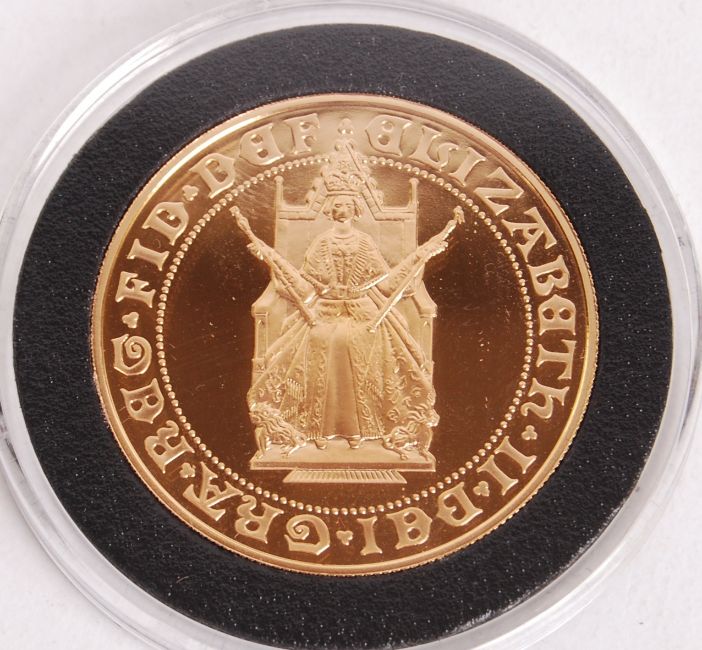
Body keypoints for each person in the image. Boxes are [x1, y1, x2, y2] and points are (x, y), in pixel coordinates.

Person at [237, 174, 458, 462]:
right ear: (331, 210)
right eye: (337, 204)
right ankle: (317, 428)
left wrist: (420, 257)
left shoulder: (365, 242)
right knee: (321, 339)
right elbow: (305, 286)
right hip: (325, 310)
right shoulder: (321, 243)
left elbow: (385, 283)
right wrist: (273, 261)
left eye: (347, 204)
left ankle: (360, 429)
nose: (341, 209)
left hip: (362, 311)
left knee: (355, 339)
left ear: (355, 209)